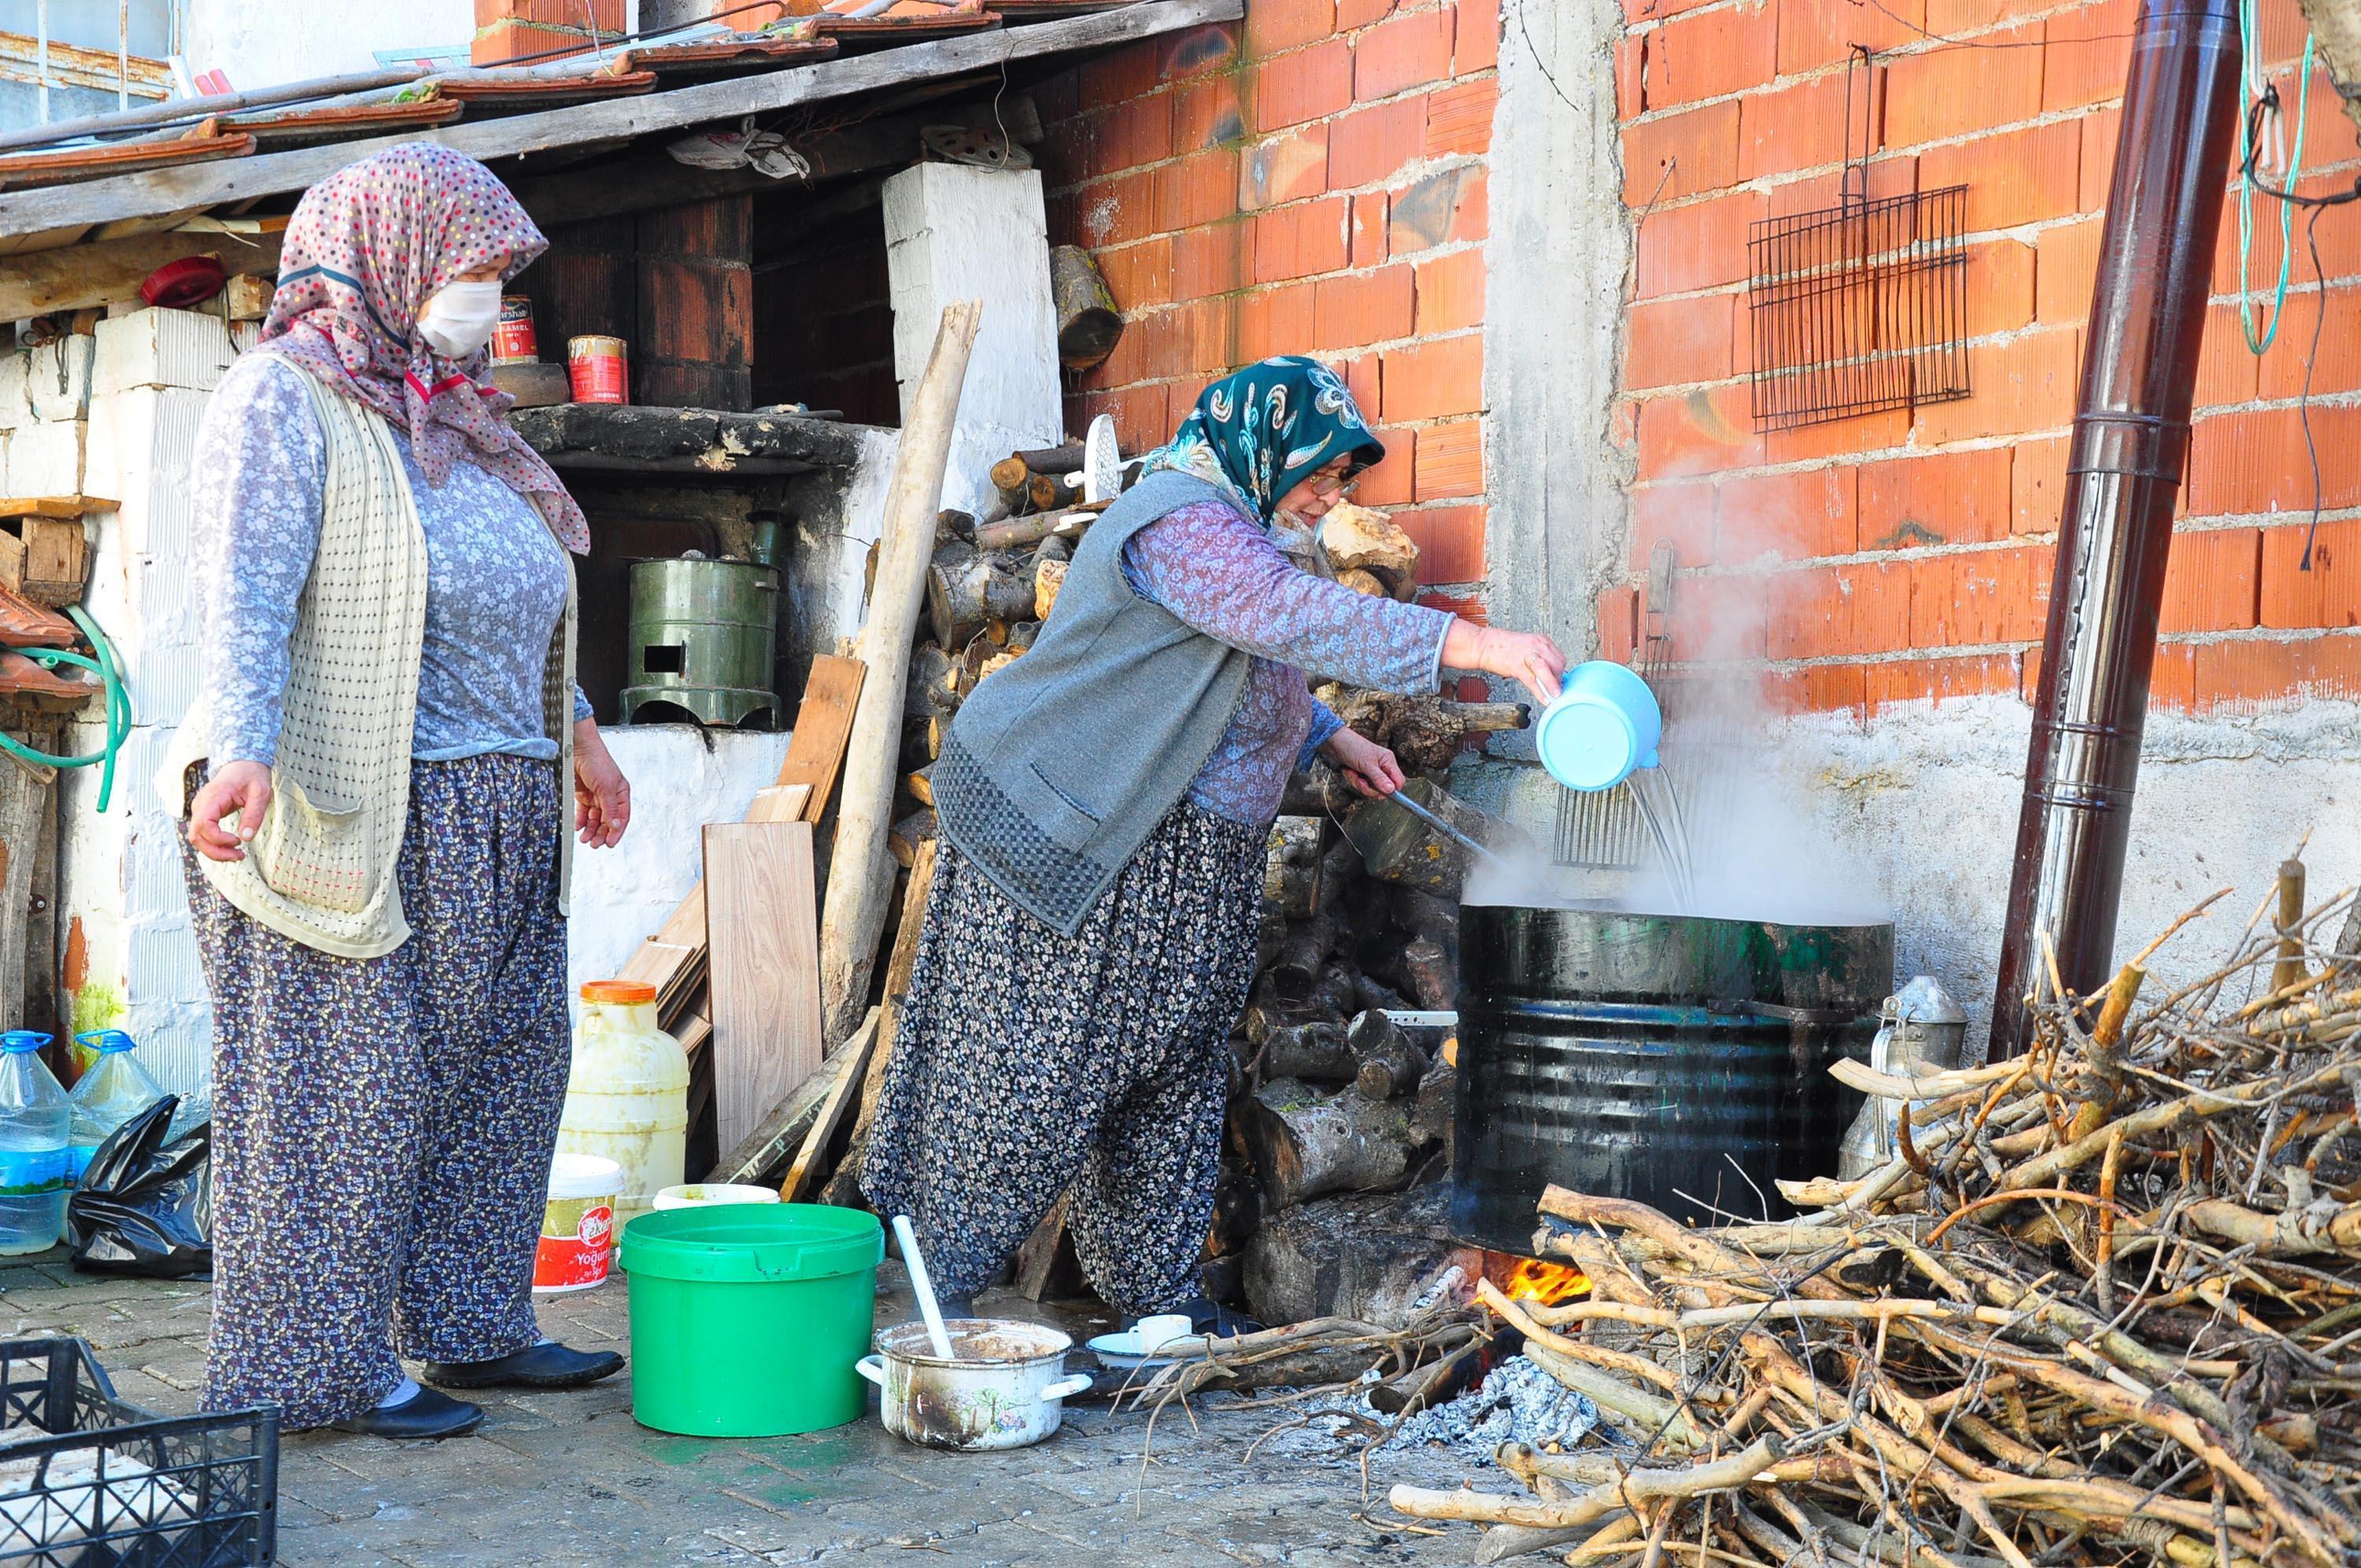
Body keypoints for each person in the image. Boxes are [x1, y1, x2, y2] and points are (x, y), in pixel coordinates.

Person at [862, 356, 1565, 1329]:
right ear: (1259, 450)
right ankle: (926, 1306)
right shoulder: (1181, 522)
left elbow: (1246, 657)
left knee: (1172, 1073)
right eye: (1316, 475)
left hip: (1188, 858)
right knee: (1035, 1073)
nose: (1328, 500)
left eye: (1341, 484)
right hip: (1080, 834)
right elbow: (1286, 617)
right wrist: (1476, 648)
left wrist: (1333, 735)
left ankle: (1152, 1301)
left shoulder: (1249, 527)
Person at [170, 146, 633, 1441]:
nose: (484, 294)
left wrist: (581, 729)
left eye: (494, 272)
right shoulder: (286, 398)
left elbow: (513, 601)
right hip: (347, 801)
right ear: (385, 257)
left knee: (502, 1069)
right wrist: (246, 747)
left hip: (504, 803)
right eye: (470, 268)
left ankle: (473, 1322)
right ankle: (317, 1375)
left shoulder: (462, 418)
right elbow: (247, 590)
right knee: (341, 1094)